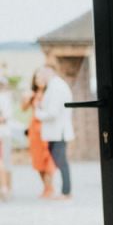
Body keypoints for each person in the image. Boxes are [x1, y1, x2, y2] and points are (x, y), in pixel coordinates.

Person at [35, 65, 74, 200]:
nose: (39, 77)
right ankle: (65, 191)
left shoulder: (56, 87)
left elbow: (53, 112)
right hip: (55, 132)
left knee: (61, 162)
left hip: (58, 132)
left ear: (48, 73)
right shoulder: (54, 86)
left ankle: (66, 192)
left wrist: (38, 112)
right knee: (60, 161)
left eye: (41, 74)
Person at [21, 70, 56, 198]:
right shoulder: (32, 94)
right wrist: (26, 98)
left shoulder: (50, 92)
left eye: (41, 78)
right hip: (34, 131)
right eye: (37, 78)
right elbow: (23, 109)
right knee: (38, 159)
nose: (39, 80)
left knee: (48, 159)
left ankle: (50, 188)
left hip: (46, 129)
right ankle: (45, 188)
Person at [0, 74, 12, 201]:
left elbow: (5, 118)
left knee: (4, 162)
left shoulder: (4, 98)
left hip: (3, 134)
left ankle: (6, 188)